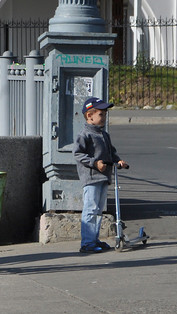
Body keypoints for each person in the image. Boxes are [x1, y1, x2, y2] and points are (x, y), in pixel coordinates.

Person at [73, 97, 129, 254]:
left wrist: (118, 162)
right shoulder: (85, 135)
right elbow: (77, 154)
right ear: (90, 116)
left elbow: (111, 153)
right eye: (101, 114)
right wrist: (94, 162)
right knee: (90, 209)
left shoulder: (104, 135)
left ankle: (94, 238)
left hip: (104, 177)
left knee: (98, 210)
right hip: (91, 178)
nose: (104, 117)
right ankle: (87, 242)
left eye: (105, 114)